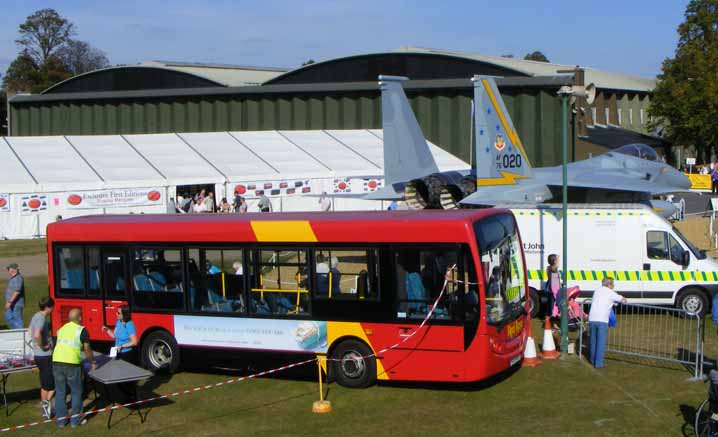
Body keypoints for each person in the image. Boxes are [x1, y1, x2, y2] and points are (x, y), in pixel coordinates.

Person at [53, 308, 96, 428]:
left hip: (56, 362)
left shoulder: (61, 329)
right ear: (79, 318)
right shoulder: (81, 330)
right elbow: (87, 349)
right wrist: (92, 362)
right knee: (76, 392)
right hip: (72, 364)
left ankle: (61, 421)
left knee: (60, 392)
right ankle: (75, 421)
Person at [588, 277, 627, 369]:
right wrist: (624, 299)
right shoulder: (610, 292)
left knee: (593, 341)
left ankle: (592, 360)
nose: (613, 286)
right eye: (613, 284)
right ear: (609, 285)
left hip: (592, 318)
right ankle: (599, 363)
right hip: (602, 319)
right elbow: (623, 300)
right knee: (601, 342)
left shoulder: (597, 290)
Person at [30, 297, 55, 419]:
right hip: (44, 356)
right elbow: (36, 334)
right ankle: (46, 406)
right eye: (52, 307)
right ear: (48, 307)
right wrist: (43, 346)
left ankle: (46, 409)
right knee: (51, 385)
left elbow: (30, 331)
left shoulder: (36, 316)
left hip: (38, 356)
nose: (53, 309)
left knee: (45, 384)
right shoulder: (41, 318)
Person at [5, 263, 25, 329]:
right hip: (12, 303)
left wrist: (10, 302)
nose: (8, 270)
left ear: (14, 269)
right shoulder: (13, 278)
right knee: (8, 317)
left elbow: (17, 291)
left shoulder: (18, 278)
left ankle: (20, 332)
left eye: (9, 269)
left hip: (16, 304)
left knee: (17, 318)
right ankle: (17, 330)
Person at [544, 254, 561, 320]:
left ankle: (549, 321)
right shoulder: (553, 269)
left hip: (550, 290)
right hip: (553, 291)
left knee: (551, 307)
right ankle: (552, 323)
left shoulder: (549, 268)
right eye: (556, 260)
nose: (558, 261)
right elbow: (556, 266)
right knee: (553, 307)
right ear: (554, 261)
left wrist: (557, 258)